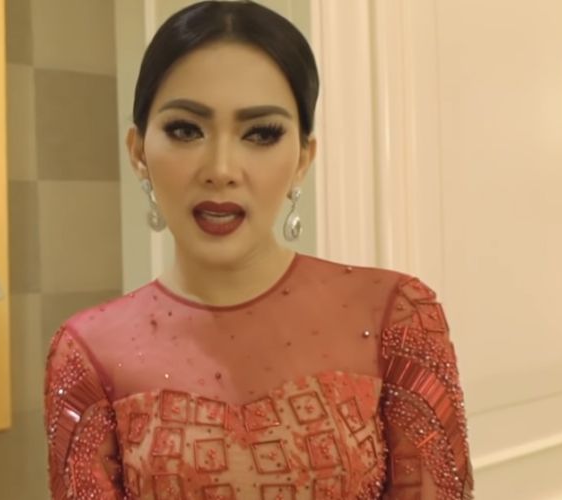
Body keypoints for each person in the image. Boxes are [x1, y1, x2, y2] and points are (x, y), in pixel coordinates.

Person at [43, 1, 474, 498]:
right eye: (186, 130)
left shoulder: (395, 316)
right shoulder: (88, 353)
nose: (221, 169)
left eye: (261, 134)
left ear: (303, 159)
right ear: (138, 152)